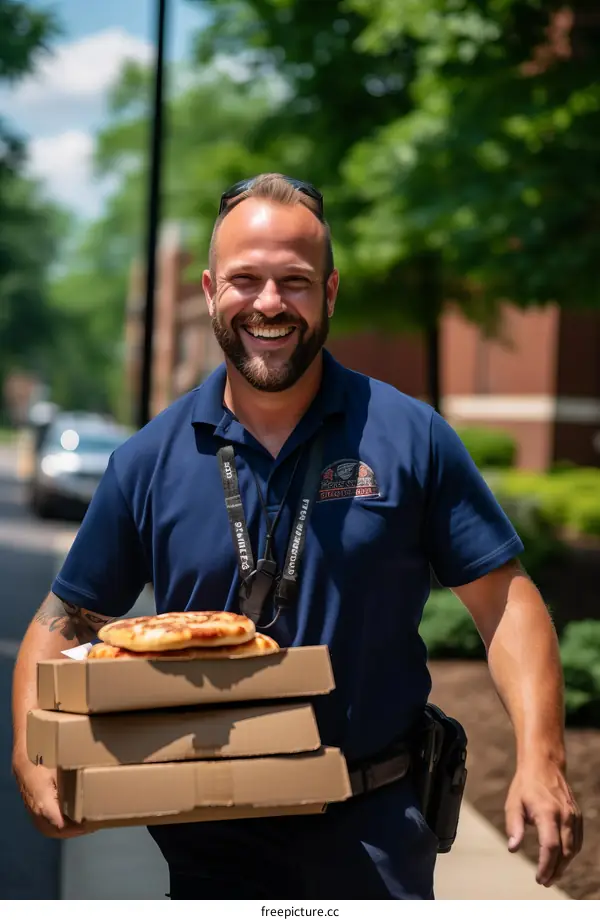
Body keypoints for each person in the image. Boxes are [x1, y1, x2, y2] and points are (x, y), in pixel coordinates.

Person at [13, 173, 582, 899]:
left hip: (374, 837)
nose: (270, 304)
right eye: (246, 280)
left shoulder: (413, 437)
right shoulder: (146, 461)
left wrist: (541, 756)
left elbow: (505, 601)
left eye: (296, 281)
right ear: (210, 290)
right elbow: (65, 621)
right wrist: (32, 753)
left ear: (332, 291)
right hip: (204, 841)